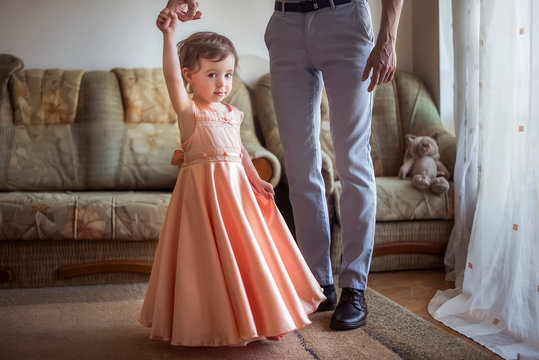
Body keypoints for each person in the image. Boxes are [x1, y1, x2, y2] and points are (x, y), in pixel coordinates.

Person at [164, 0, 403, 331]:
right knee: (300, 169)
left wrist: (388, 36)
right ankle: (317, 285)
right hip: (286, 24)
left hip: (345, 18)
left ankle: (354, 288)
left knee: (353, 162)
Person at [138, 8, 325, 347]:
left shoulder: (232, 114)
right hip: (202, 197)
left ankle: (261, 316)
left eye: (227, 75)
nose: (221, 83)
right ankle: (208, 324)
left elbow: (239, 153)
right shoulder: (189, 111)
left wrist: (256, 181)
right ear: (188, 77)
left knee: (247, 255)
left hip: (235, 196)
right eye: (211, 74)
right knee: (206, 260)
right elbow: (168, 77)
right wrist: (169, 36)